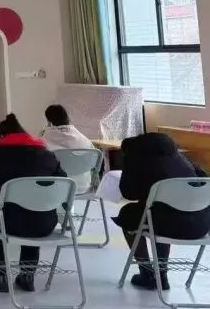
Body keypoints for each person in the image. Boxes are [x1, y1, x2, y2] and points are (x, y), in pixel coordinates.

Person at [0, 114, 66, 294]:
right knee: (34, 211)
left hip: (9, 221)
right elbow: (63, 182)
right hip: (45, 223)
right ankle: (27, 275)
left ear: (3, 136)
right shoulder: (47, 155)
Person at [113, 132, 210, 291]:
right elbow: (201, 179)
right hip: (200, 226)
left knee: (128, 215)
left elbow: (128, 193)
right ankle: (162, 274)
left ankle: (147, 273)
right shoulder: (183, 161)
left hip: (165, 224)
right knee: (161, 213)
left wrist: (127, 167)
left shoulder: (137, 160)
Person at [41, 104, 96, 193]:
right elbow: (93, 162)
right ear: (67, 118)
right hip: (83, 186)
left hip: (56, 189)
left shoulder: (44, 140)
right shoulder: (83, 139)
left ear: (49, 121)